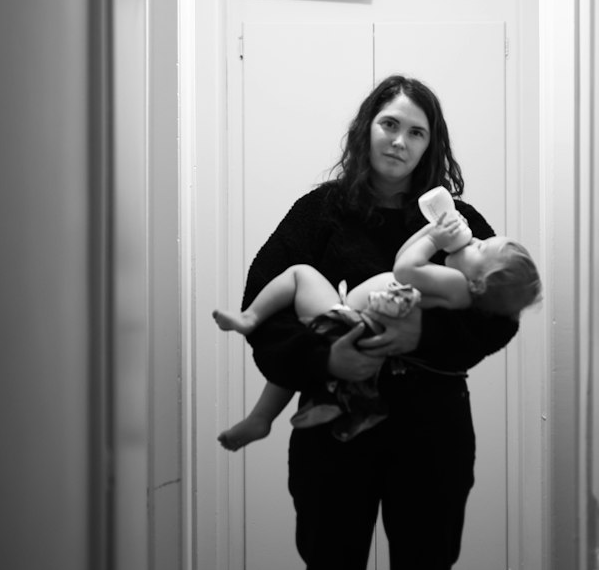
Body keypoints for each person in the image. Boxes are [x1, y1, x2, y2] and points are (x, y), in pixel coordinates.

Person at [226, 74, 537, 570]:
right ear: (367, 128)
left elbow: (499, 317)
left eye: (417, 130)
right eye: (389, 124)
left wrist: (423, 332)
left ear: (434, 145)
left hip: (431, 436)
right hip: (333, 435)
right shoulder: (319, 213)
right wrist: (324, 360)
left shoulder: (459, 225)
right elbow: (268, 308)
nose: (400, 140)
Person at [214, 191, 540, 446]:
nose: (475, 239)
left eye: (481, 247)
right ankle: (319, 407)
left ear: (480, 283)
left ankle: (251, 320)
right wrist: (431, 233)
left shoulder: (458, 284)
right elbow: (405, 260)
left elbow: (405, 268)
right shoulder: (321, 209)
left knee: (301, 275)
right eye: (390, 125)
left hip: (351, 319)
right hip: (352, 321)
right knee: (305, 350)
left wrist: (434, 240)